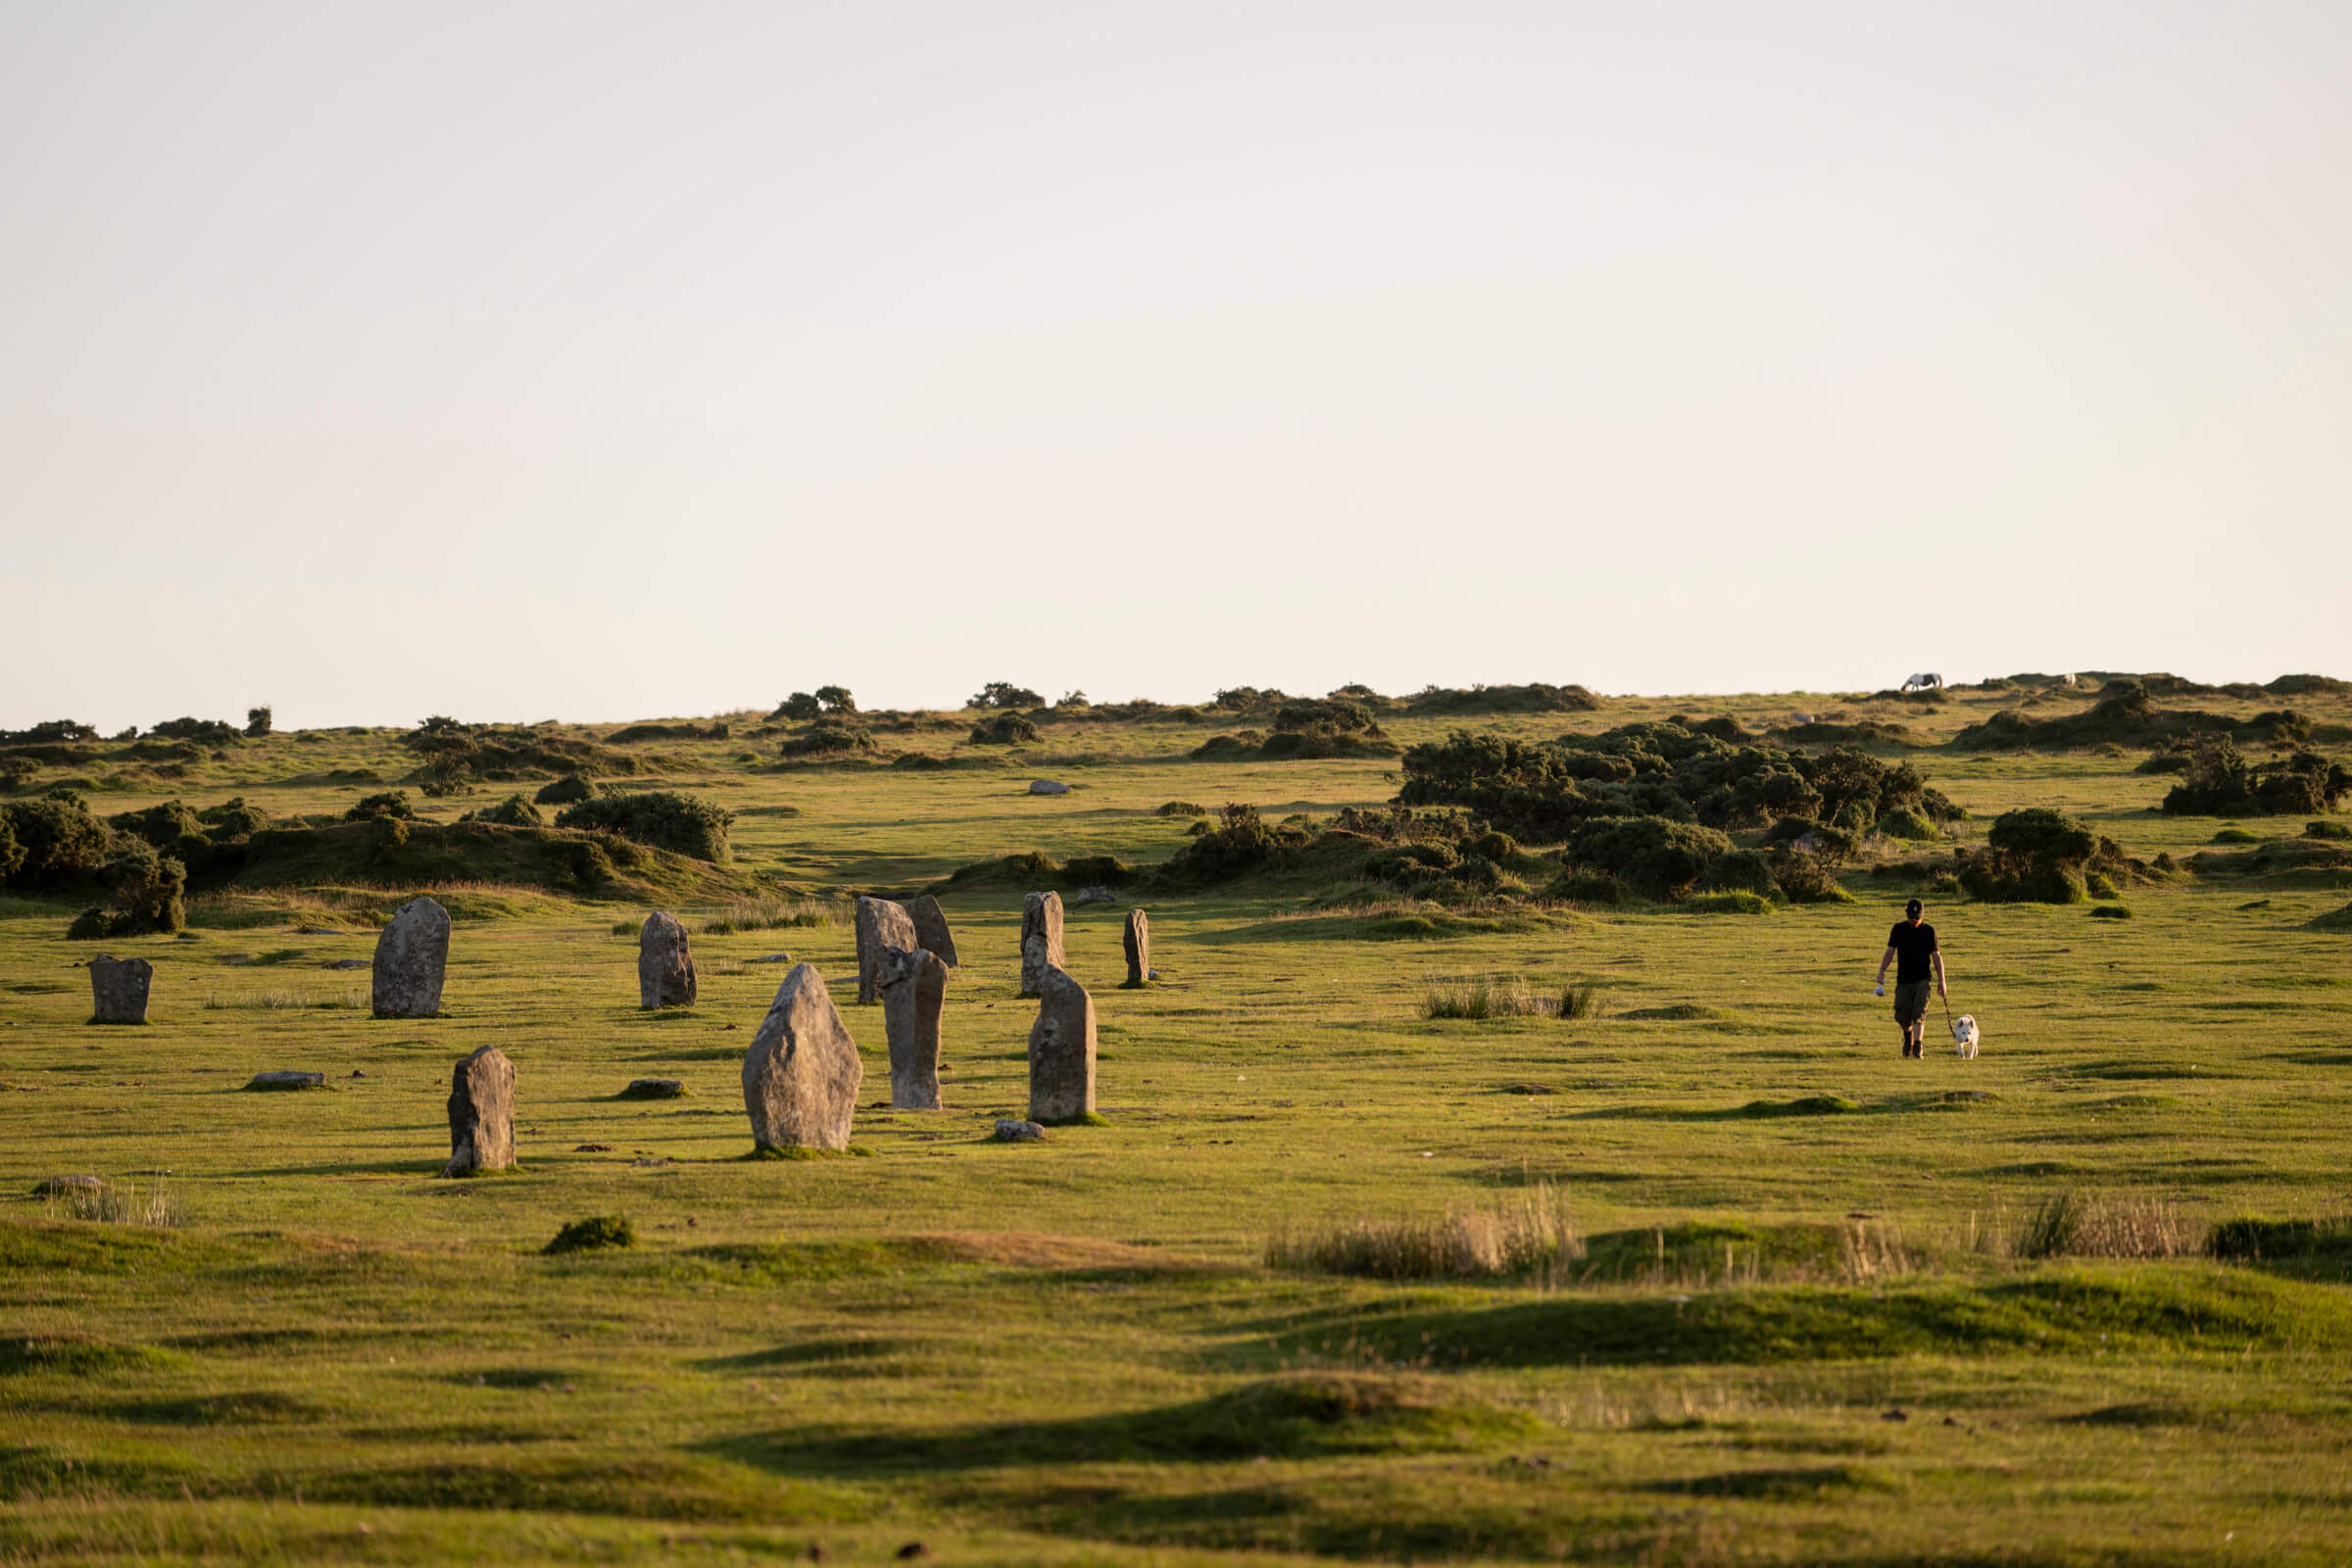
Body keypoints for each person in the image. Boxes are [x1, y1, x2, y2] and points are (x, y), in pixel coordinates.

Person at [1874, 897, 1947, 1058]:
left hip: (1922, 980)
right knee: (1902, 1016)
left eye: (1917, 918)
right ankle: (1908, 1038)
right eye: (1910, 917)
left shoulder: (1929, 931)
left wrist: (1942, 981)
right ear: (1906, 914)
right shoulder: (1898, 929)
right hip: (1903, 981)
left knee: (1918, 1014)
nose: (1913, 920)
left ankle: (1917, 1047)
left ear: (1922, 915)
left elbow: (1936, 956)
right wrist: (1882, 970)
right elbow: (1890, 951)